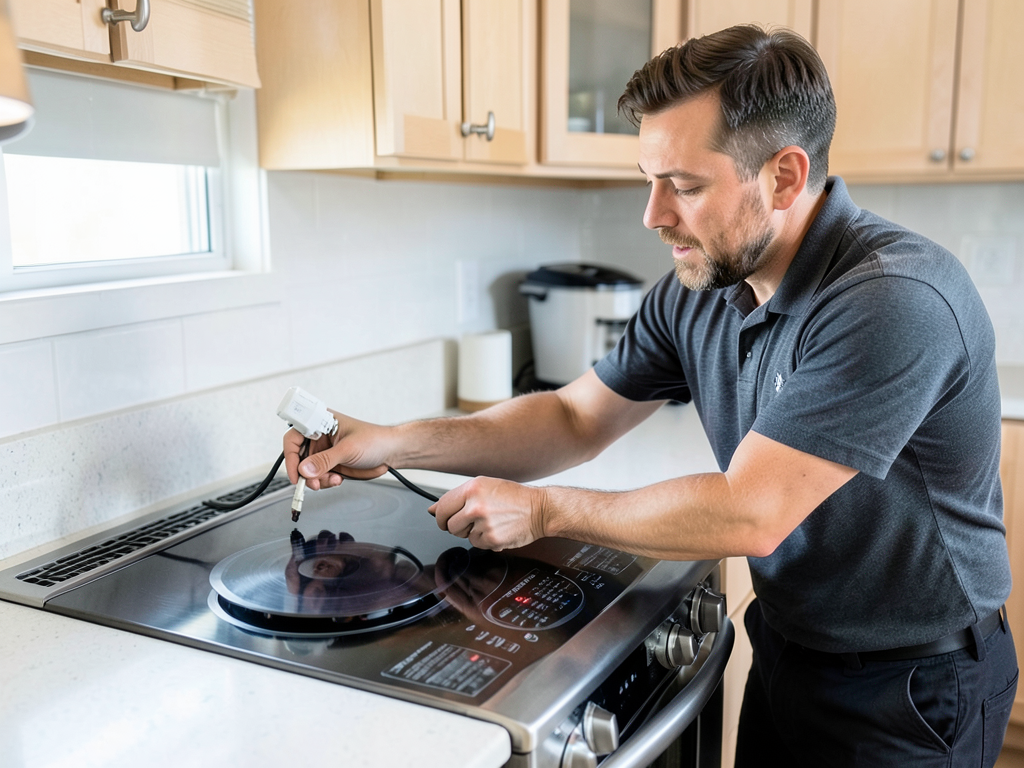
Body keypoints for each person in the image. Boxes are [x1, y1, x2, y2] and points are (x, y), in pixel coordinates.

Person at [283, 24, 1017, 767]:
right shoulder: (702, 285)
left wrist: (543, 509)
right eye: (650, 179)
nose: (654, 215)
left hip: (916, 687)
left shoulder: (892, 299)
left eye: (686, 186)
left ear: (785, 178)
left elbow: (751, 511)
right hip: (792, 649)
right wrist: (392, 439)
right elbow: (573, 416)